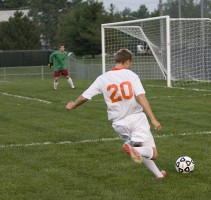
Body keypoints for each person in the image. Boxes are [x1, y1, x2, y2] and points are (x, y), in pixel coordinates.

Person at [66, 49, 166, 179]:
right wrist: (153, 119)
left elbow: (84, 97)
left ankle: (159, 175)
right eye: (130, 63)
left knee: (139, 148)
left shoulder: (102, 78)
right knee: (153, 153)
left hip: (119, 124)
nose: (130, 65)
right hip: (136, 119)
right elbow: (141, 97)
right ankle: (135, 151)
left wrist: (73, 105)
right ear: (127, 61)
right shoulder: (131, 75)